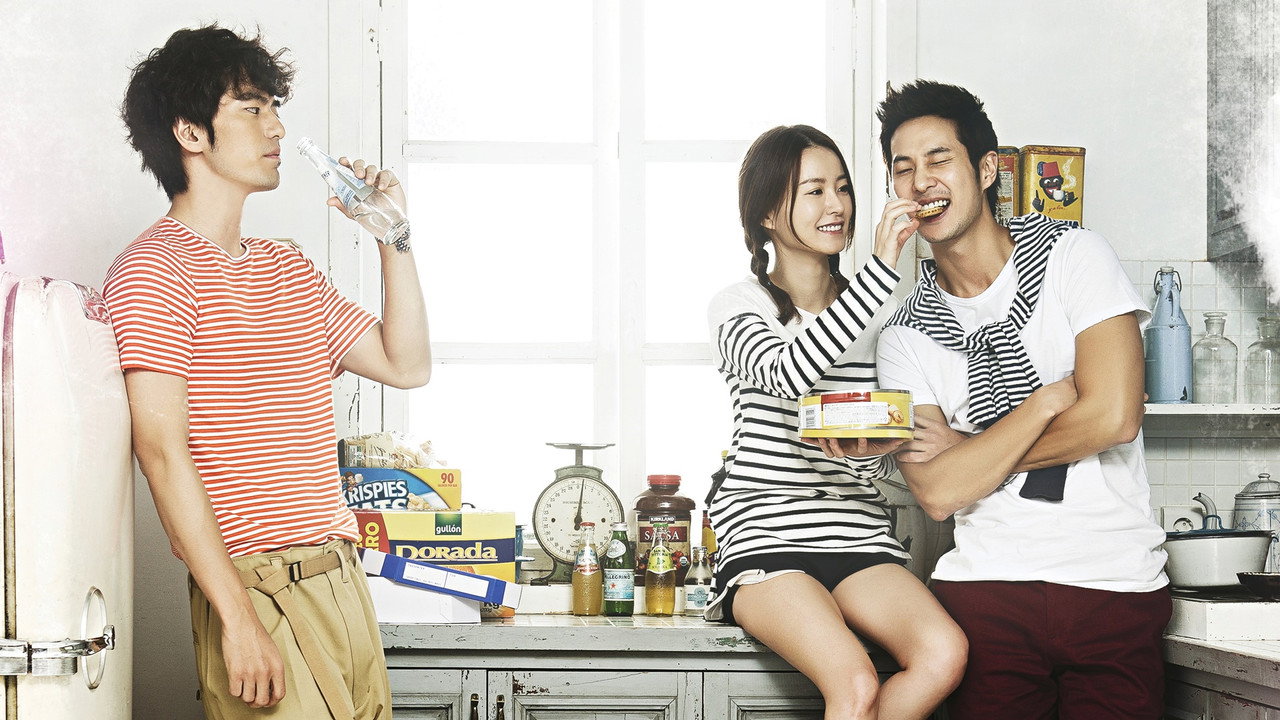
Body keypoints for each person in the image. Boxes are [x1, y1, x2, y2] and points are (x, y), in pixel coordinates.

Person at [104, 25, 430, 719]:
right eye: (251, 108)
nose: (276, 126)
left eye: (274, 107)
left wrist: (394, 237)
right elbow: (162, 456)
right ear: (190, 133)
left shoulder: (288, 268)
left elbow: (406, 365)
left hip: (343, 578)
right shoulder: (153, 272)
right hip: (258, 589)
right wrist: (239, 620)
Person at [870, 80, 1170, 720]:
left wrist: (973, 451)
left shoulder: (1074, 256)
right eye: (903, 168)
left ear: (986, 171)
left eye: (939, 159)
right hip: (986, 593)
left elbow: (1115, 417)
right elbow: (938, 492)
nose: (920, 182)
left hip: (1114, 583)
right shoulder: (903, 337)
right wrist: (1047, 403)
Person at [704, 125, 967, 720]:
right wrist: (882, 268)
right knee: (854, 683)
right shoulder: (739, 306)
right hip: (766, 538)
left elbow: (883, 450)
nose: (837, 205)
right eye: (815, 191)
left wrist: (870, 456)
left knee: (944, 653)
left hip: (857, 533)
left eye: (843, 188)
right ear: (767, 213)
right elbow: (787, 373)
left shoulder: (883, 316)